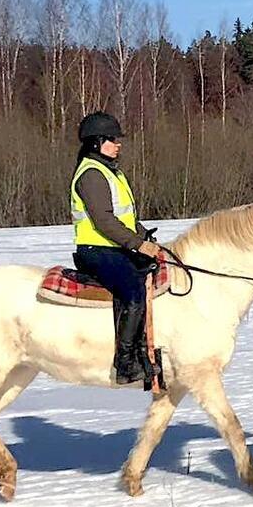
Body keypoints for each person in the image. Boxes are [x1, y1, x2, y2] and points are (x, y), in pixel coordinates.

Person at [69, 111, 163, 386]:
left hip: (114, 247)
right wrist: (137, 244)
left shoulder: (111, 172)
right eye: (112, 139)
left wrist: (146, 237)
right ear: (96, 142)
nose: (118, 143)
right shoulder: (91, 174)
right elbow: (104, 221)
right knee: (133, 290)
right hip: (96, 250)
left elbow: (126, 218)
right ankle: (125, 363)